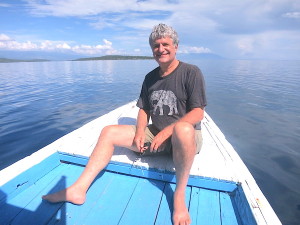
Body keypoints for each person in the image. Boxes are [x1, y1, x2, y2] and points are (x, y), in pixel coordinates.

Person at [42, 23, 207, 225]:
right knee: (109, 132)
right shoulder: (150, 77)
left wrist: (167, 132)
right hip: (157, 134)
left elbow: (198, 112)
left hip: (185, 138)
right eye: (156, 46)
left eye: (165, 44)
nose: (161, 49)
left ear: (175, 47)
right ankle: (78, 189)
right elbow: (144, 109)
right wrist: (139, 132)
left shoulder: (191, 72)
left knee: (182, 128)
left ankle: (179, 196)